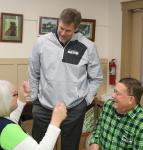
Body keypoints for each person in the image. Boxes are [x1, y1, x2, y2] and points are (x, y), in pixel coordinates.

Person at [29, 8, 103, 150]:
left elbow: (96, 77)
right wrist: (34, 98)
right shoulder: (41, 42)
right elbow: (34, 72)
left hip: (74, 109)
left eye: (68, 31)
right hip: (44, 108)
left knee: (70, 147)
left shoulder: (88, 46)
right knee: (38, 147)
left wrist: (85, 101)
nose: (62, 33)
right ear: (58, 22)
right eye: (61, 28)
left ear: (76, 28)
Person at [0, 80, 67, 150]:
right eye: (15, 94)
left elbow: (12, 120)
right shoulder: (8, 130)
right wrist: (56, 121)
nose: (17, 96)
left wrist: (22, 97)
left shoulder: (3, 123)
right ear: (4, 100)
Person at [90, 77, 143, 150]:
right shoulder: (108, 105)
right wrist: (94, 143)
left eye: (117, 93)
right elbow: (98, 129)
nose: (113, 95)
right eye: (114, 91)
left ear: (131, 100)